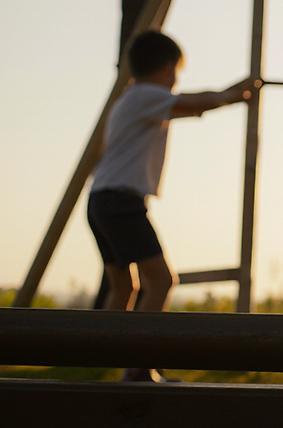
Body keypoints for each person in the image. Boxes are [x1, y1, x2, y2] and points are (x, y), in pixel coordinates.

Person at [88, 30, 255, 383]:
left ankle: (98, 355)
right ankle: (138, 367)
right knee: (162, 280)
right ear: (168, 69)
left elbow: (186, 107)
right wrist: (232, 94)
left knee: (124, 288)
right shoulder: (146, 95)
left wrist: (225, 96)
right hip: (120, 201)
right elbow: (194, 103)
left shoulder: (130, 99)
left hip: (101, 200)